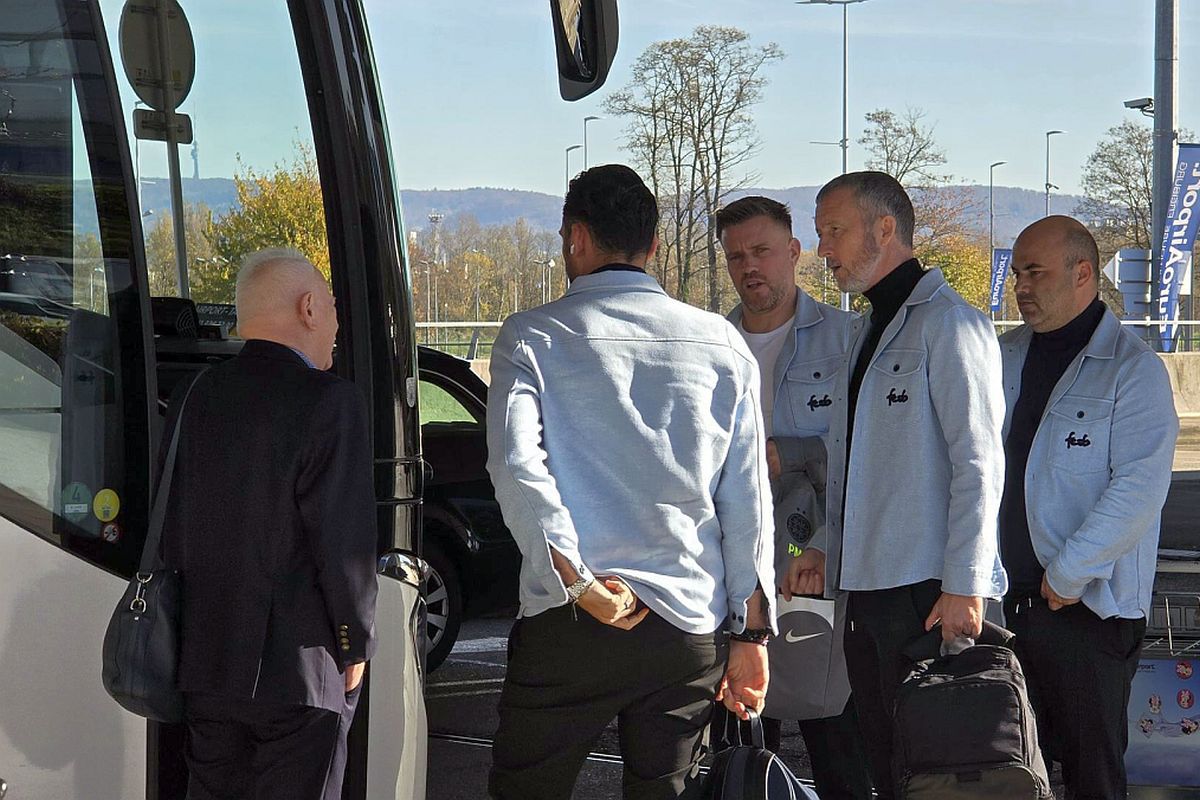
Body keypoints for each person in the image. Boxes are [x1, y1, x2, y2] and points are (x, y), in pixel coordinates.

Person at [486, 164, 775, 800]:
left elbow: (517, 468)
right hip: (688, 623)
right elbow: (747, 502)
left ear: (576, 238)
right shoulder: (724, 344)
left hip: (571, 618)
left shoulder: (531, 337)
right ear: (654, 245)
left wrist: (578, 581)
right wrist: (751, 633)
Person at [800, 171, 1008, 798]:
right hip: (866, 590)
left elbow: (979, 460)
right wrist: (826, 546)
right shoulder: (866, 329)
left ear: (885, 228)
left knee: (940, 768)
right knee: (889, 763)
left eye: (834, 231)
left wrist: (966, 582)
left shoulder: (952, 324)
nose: (823, 249)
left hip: (927, 591)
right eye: (820, 233)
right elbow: (858, 467)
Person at [161, 248, 378, 800]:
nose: (336, 325)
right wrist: (354, 644)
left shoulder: (194, 396)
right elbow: (344, 547)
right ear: (309, 308)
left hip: (206, 667)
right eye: (332, 307)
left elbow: (174, 528)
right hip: (302, 675)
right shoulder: (331, 402)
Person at [999, 216, 1178, 799]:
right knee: (1003, 769)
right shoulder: (1002, 357)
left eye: (1036, 272)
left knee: (1090, 774)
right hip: (1004, 607)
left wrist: (1069, 574)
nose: (1021, 286)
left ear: (1083, 274)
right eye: (1017, 273)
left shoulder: (1133, 370)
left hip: (1085, 613)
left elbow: (1138, 488)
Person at [717, 195, 872, 800]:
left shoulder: (848, 339)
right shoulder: (711, 344)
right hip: (733, 573)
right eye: (735, 256)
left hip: (812, 562)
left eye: (761, 251)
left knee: (836, 743)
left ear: (794, 252)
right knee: (741, 754)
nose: (749, 266)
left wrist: (825, 541)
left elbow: (872, 458)